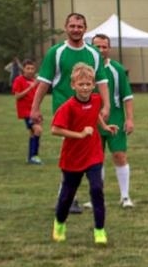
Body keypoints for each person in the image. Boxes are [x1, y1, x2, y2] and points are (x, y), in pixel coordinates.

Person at [49, 63, 115, 245]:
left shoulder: (95, 100)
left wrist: (105, 127)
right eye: (81, 84)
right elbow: (55, 129)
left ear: (93, 85)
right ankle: (59, 223)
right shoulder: (68, 107)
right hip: (72, 157)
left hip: (93, 154)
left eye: (88, 84)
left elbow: (95, 115)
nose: (85, 88)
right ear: (73, 85)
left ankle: (100, 230)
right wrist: (79, 134)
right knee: (67, 196)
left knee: (96, 189)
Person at [29, 13, 107, 127]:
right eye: (72, 26)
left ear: (85, 29)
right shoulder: (55, 52)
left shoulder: (94, 52)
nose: (76, 29)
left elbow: (102, 82)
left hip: (88, 109)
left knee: (87, 141)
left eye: (80, 27)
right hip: (63, 108)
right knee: (71, 142)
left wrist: (106, 106)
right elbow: (44, 83)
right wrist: (35, 108)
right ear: (66, 27)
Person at [91, 34, 136, 207]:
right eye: (97, 46)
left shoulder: (117, 69)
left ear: (109, 48)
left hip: (115, 119)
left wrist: (130, 119)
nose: (101, 50)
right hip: (92, 121)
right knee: (95, 160)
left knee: (119, 155)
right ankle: (97, 197)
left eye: (104, 46)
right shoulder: (86, 69)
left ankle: (125, 196)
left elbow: (127, 96)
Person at [11, 59, 43, 163]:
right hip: (26, 112)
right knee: (38, 130)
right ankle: (34, 156)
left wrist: (38, 110)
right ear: (23, 69)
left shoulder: (35, 81)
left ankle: (31, 157)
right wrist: (30, 88)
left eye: (32, 68)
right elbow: (17, 96)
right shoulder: (19, 80)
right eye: (27, 68)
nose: (30, 70)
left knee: (33, 133)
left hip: (34, 110)